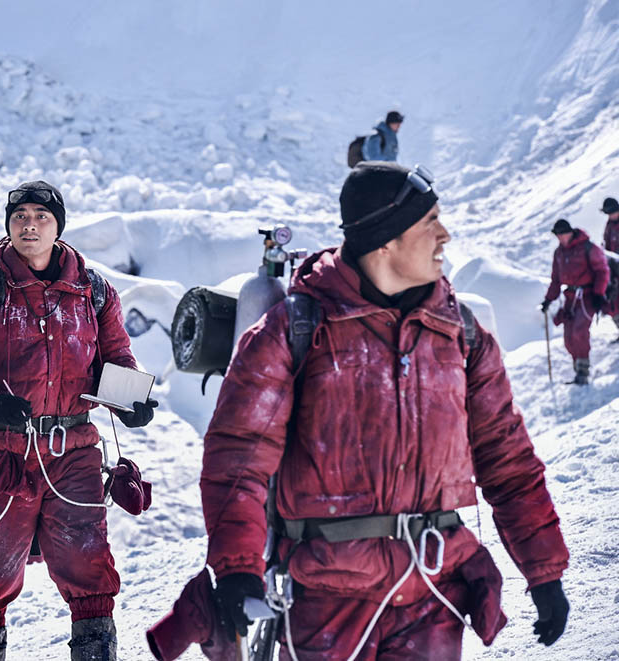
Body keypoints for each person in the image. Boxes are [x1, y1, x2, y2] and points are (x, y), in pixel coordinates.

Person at [199, 162, 570, 659]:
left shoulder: (460, 333)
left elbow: (508, 459)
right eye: (430, 222)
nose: (445, 235)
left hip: (433, 599)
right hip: (326, 604)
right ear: (386, 240)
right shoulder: (294, 329)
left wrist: (544, 570)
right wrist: (238, 567)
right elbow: (238, 457)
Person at [0, 181, 155, 661]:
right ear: (9, 225)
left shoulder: (93, 292)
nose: (29, 225)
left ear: (58, 226)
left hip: (73, 452)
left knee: (88, 567)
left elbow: (116, 358)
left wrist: (130, 403)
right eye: (20, 216)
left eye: (41, 216)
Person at [540, 218, 611, 384]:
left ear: (570, 232)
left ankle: (583, 370)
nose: (561, 237)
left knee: (579, 331)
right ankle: (577, 366)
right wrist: (548, 299)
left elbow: (602, 271)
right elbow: (556, 280)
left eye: (563, 234)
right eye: (558, 235)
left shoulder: (588, 247)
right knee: (568, 338)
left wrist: (598, 293)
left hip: (587, 296)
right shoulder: (559, 253)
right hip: (569, 298)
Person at [600, 197, 619, 338]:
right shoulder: (609, 226)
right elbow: (607, 245)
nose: (610, 215)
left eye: (612, 212)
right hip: (613, 268)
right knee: (613, 299)